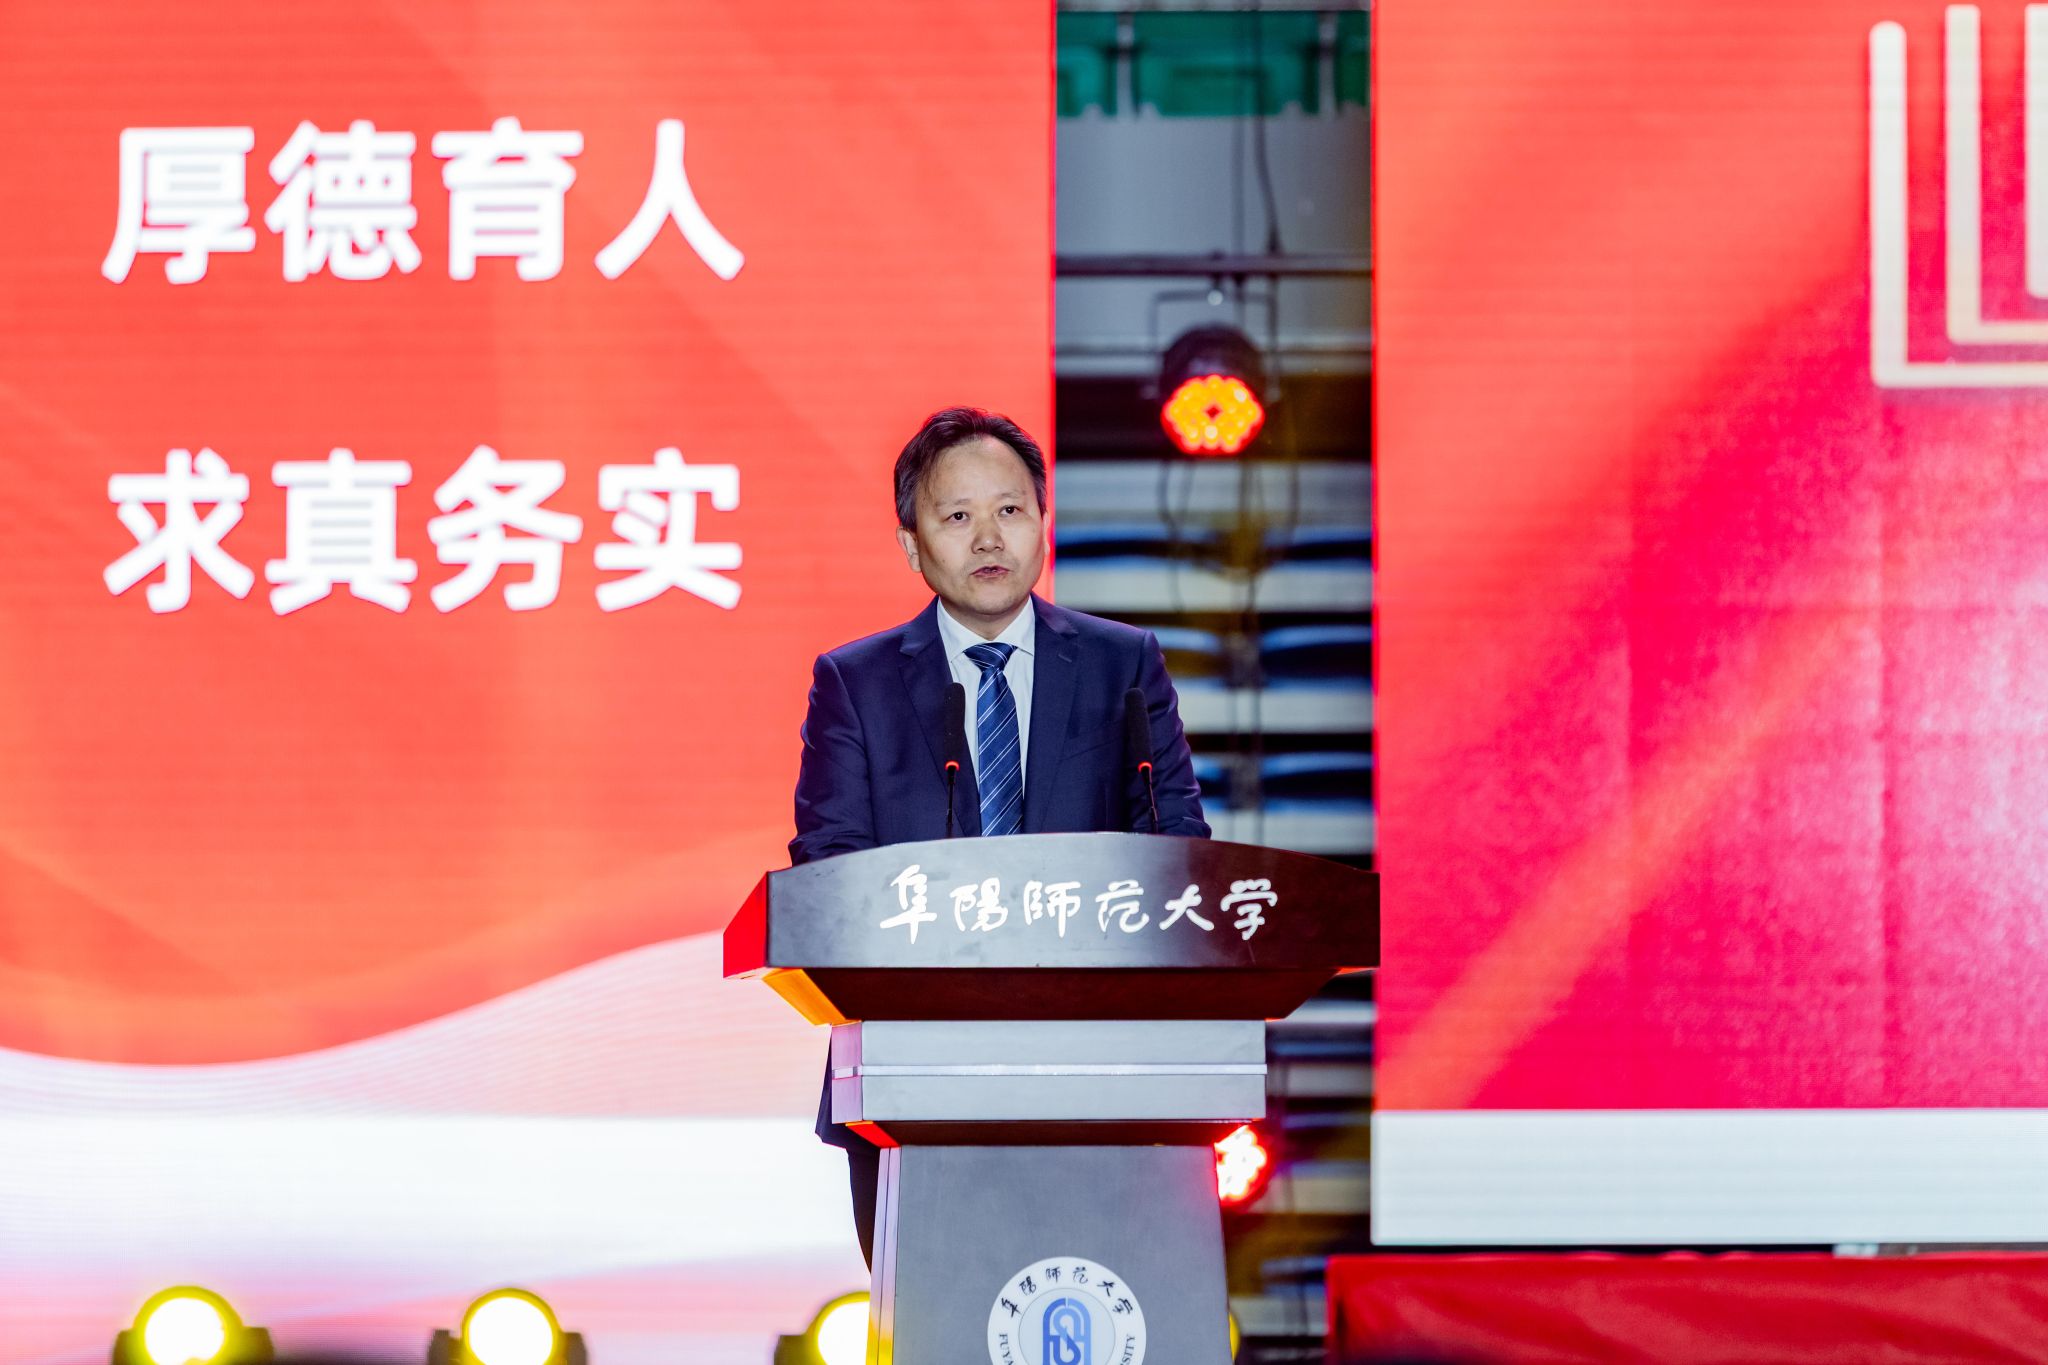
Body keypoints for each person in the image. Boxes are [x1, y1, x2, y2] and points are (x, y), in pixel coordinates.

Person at [791, 405, 1209, 1263]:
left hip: (1098, 1085)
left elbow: (1177, 855)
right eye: (957, 515)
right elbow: (829, 875)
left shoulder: (1122, 666)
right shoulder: (855, 684)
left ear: (1043, 523)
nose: (989, 537)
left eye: (1010, 510)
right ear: (912, 545)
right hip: (908, 1085)